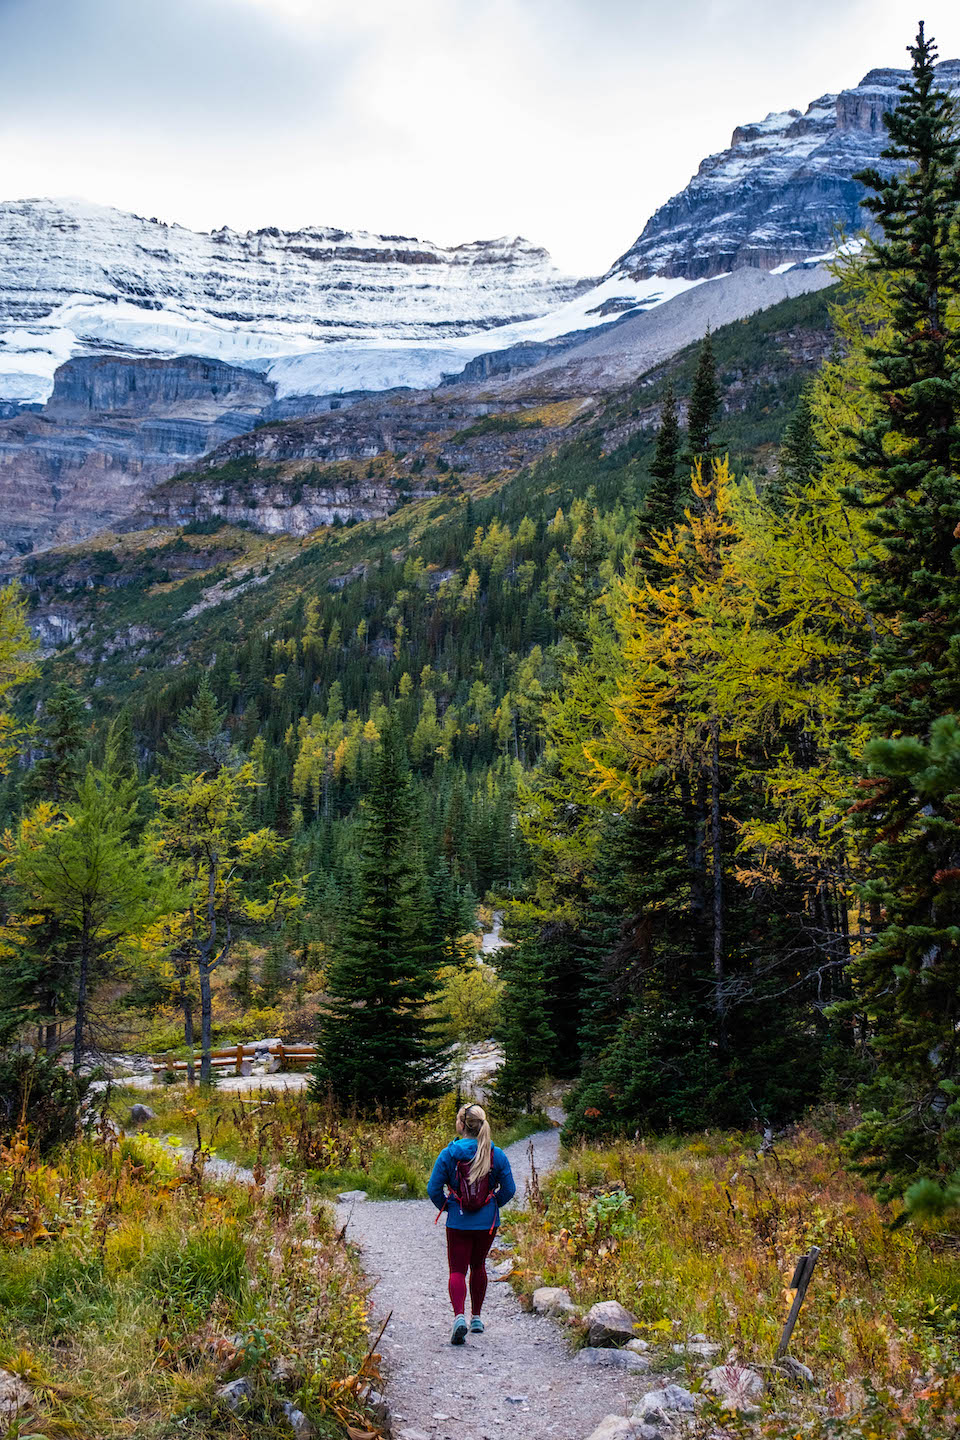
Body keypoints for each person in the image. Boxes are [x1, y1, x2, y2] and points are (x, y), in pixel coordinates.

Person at [427, 1102, 517, 1345]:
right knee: (479, 1266)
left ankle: (459, 1317)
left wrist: (448, 1206)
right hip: (487, 1223)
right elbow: (509, 1189)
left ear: (461, 1125)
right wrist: (492, 1204)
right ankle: (476, 1317)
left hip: (458, 1221)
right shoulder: (495, 1154)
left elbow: (433, 1189)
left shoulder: (449, 1154)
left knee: (457, 1270)